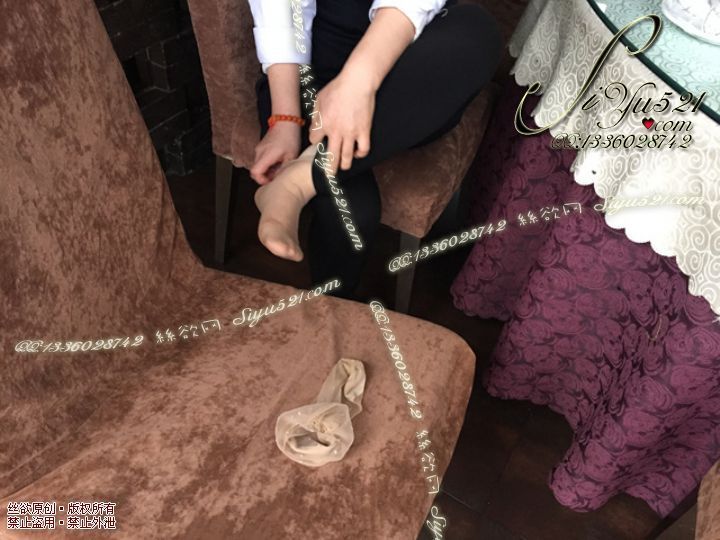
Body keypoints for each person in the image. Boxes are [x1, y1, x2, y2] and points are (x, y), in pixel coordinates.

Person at [248, 0, 501, 298]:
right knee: (354, 213)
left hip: (403, 78)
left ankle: (301, 178)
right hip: (310, 78)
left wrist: (358, 83)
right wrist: (284, 119)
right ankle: (331, 309)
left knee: (476, 32)